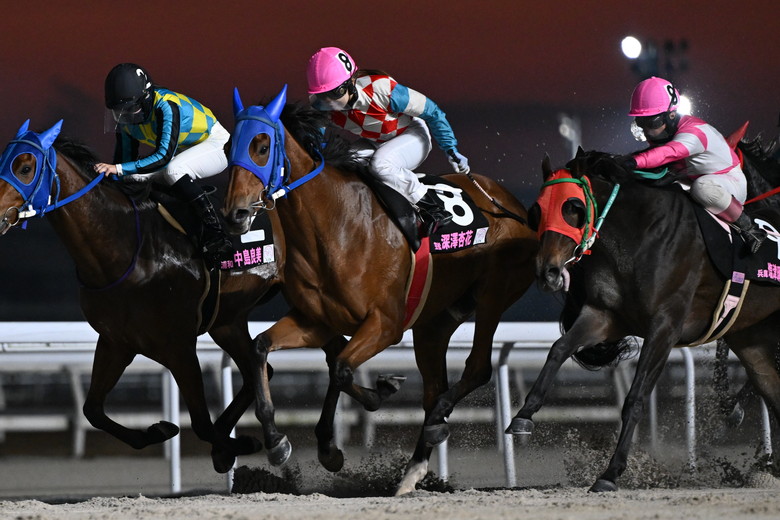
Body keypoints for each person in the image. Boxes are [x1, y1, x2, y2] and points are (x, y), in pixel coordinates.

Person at [306, 46, 470, 235]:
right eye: (322, 96)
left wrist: (451, 149)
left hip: (412, 135)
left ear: (350, 83)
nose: (328, 102)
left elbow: (433, 112)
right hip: (375, 141)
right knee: (346, 163)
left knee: (381, 164)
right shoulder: (325, 109)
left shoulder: (382, 90)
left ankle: (433, 209)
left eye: (334, 94)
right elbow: (314, 138)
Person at [94, 63, 232, 267]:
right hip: (180, 151)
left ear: (147, 97)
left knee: (174, 170)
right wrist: (113, 176)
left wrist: (119, 169)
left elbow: (163, 157)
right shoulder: (125, 119)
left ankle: (217, 235)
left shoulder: (166, 105)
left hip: (216, 144)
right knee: (134, 177)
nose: (126, 116)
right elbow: (124, 162)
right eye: (119, 111)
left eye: (131, 108)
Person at [621, 76, 766, 254]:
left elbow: (668, 153)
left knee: (702, 188)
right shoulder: (668, 130)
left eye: (652, 123)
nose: (646, 130)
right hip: (696, 178)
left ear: (671, 115)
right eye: (641, 123)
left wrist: (633, 161)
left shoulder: (694, 132)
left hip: (728, 182)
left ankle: (751, 229)